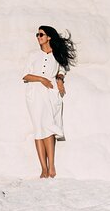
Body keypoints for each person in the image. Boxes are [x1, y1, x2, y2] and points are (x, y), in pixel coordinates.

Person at [22, 25, 76, 178]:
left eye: (41, 34)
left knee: (49, 128)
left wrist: (59, 79)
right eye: (37, 35)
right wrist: (41, 79)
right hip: (35, 94)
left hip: (50, 94)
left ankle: (51, 167)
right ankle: (43, 169)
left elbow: (62, 69)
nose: (38, 37)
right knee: (39, 128)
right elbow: (25, 75)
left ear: (49, 37)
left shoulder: (57, 55)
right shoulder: (33, 55)